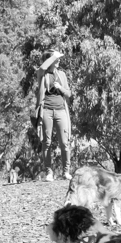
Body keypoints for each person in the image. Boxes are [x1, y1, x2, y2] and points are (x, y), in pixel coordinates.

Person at [35, 50, 74, 181]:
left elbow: (68, 93)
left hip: (61, 110)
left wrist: (60, 87)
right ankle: (49, 172)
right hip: (46, 110)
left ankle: (66, 171)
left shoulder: (62, 75)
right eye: (56, 59)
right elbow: (41, 68)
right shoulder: (43, 75)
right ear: (50, 60)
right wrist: (53, 56)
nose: (58, 61)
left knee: (64, 142)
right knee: (46, 142)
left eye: (58, 59)